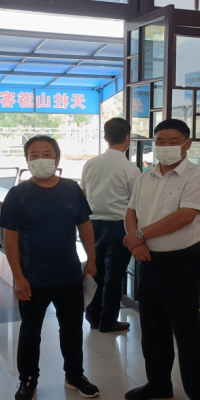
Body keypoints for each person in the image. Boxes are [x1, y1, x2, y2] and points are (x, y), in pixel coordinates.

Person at [122, 119, 200, 400]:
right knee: (152, 327)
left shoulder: (198, 177)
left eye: (173, 140)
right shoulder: (146, 175)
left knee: (186, 331)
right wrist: (137, 242)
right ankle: (159, 383)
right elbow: (131, 210)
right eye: (160, 141)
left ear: (187, 143)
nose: (165, 146)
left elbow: (185, 216)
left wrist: (139, 235)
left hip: (180, 262)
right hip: (147, 259)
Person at [1, 135, 100, 400]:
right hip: (33, 277)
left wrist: (91, 259)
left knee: (72, 328)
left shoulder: (72, 189)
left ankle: (75, 375)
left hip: (69, 274)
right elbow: (10, 238)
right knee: (30, 332)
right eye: (34, 155)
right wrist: (18, 277)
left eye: (46, 154)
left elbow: (85, 226)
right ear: (27, 160)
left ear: (57, 159)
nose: (40, 159)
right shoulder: (18, 194)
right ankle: (28, 380)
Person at [81, 118, 140, 333]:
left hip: (92, 225)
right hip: (119, 227)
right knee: (114, 276)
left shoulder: (90, 164)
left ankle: (93, 317)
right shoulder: (131, 169)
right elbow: (136, 203)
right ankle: (108, 320)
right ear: (128, 138)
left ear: (105, 137)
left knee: (94, 271)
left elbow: (83, 194)